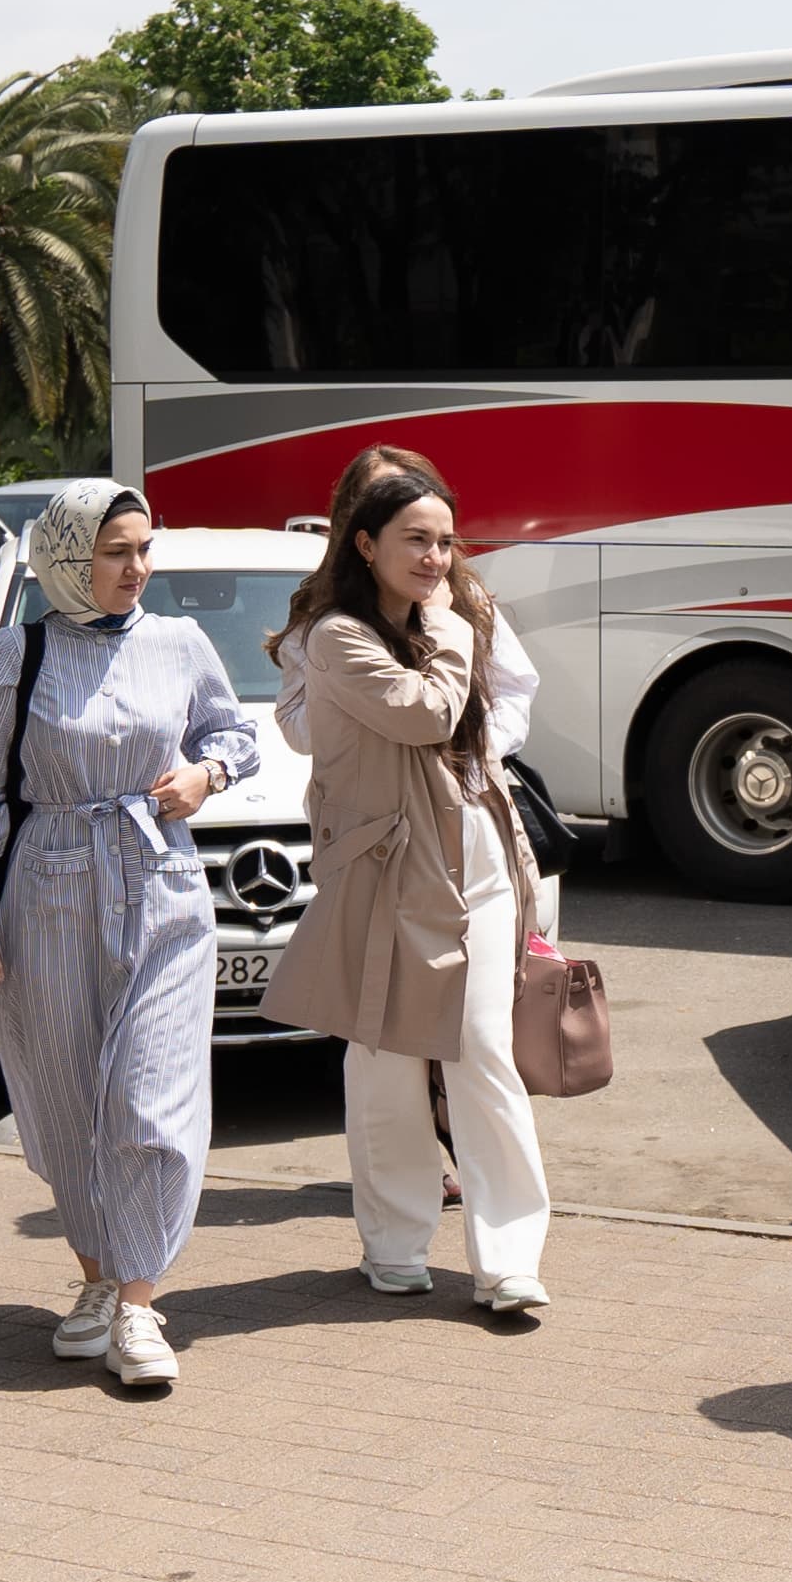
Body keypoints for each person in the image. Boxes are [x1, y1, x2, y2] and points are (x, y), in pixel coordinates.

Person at [0, 482, 262, 1395]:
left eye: (145, 548)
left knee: (153, 1097)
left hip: (163, 886)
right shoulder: (15, 653)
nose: (137, 569)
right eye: (116, 552)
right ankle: (95, 1282)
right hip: (48, 892)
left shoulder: (180, 643)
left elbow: (238, 736)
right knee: (69, 1101)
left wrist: (206, 774)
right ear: (69, 559)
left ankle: (140, 1303)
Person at [263, 465, 557, 1312]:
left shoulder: (462, 612)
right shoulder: (334, 634)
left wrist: (471, 761)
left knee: (482, 1051)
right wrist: (451, 628)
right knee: (384, 1055)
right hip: (379, 863)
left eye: (444, 540)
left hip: (475, 851)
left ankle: (508, 1259)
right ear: (364, 542)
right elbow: (425, 712)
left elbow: (498, 706)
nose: (435, 557)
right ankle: (393, 1243)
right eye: (415, 540)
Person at [276, 443, 537, 765]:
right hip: (376, 804)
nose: (398, 505)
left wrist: (470, 757)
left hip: (465, 799)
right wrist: (369, 699)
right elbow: (298, 730)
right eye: (381, 498)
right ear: (359, 530)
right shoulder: (331, 621)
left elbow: (514, 689)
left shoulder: (463, 595)